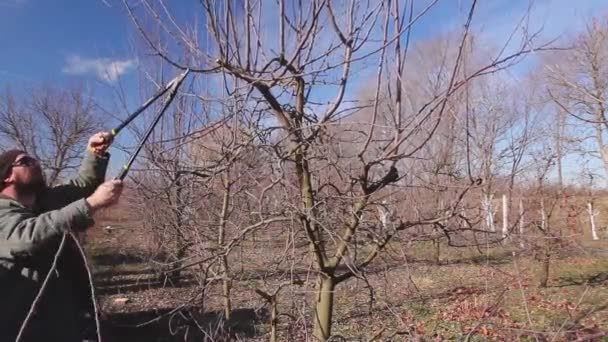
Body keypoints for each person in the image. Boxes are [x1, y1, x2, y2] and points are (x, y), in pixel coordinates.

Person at [0, 132, 123, 341]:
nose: (35, 162)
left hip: (63, 315)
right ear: (7, 176)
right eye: (25, 161)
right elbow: (27, 235)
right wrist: (91, 204)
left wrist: (94, 152)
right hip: (23, 326)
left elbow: (82, 186)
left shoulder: (45, 200)